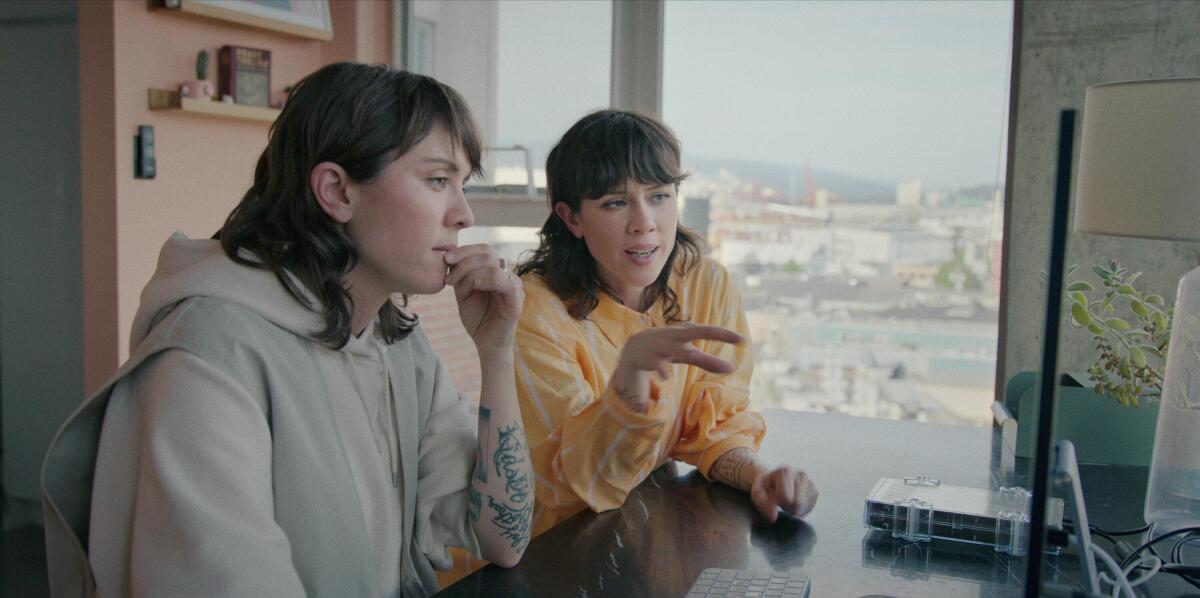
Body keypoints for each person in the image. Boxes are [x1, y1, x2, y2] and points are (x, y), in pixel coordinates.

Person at [40, 62, 532, 597]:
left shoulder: (393, 341)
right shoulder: (206, 361)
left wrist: (496, 353)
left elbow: (502, 538)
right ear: (337, 192)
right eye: (438, 180)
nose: (462, 213)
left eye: (462, 184)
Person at [513, 110, 818, 536]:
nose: (644, 223)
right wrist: (627, 390)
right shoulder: (535, 313)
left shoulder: (703, 283)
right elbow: (572, 485)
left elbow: (710, 422)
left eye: (659, 195)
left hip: (647, 535)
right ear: (571, 218)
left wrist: (757, 476)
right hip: (551, 551)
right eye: (615, 203)